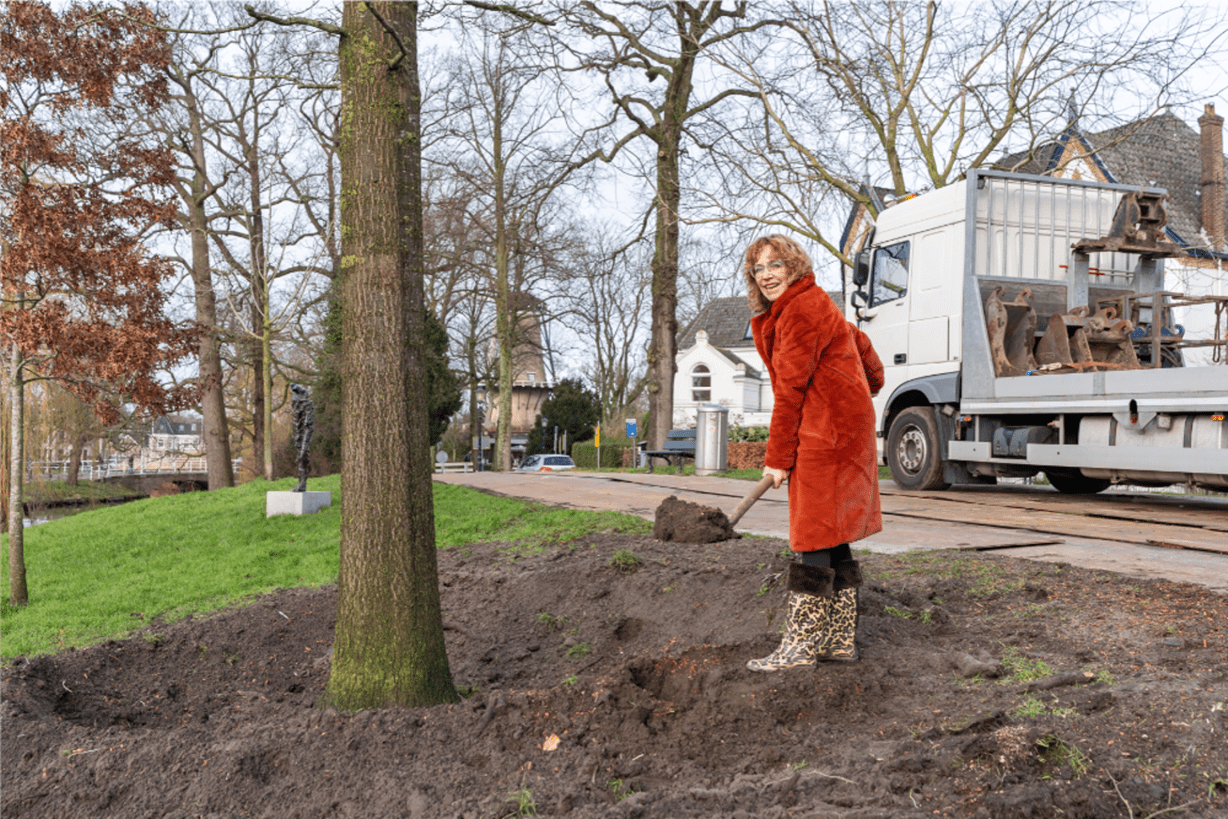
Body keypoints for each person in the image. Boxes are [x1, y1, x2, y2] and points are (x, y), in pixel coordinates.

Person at [743, 234, 885, 672]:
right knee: (832, 533)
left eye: (774, 265)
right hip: (844, 431)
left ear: (794, 266)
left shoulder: (800, 311)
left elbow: (789, 392)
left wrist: (778, 456)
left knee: (812, 535)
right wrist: (845, 390)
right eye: (758, 268)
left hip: (824, 435)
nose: (766, 275)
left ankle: (800, 647)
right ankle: (838, 640)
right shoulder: (820, 305)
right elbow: (873, 372)